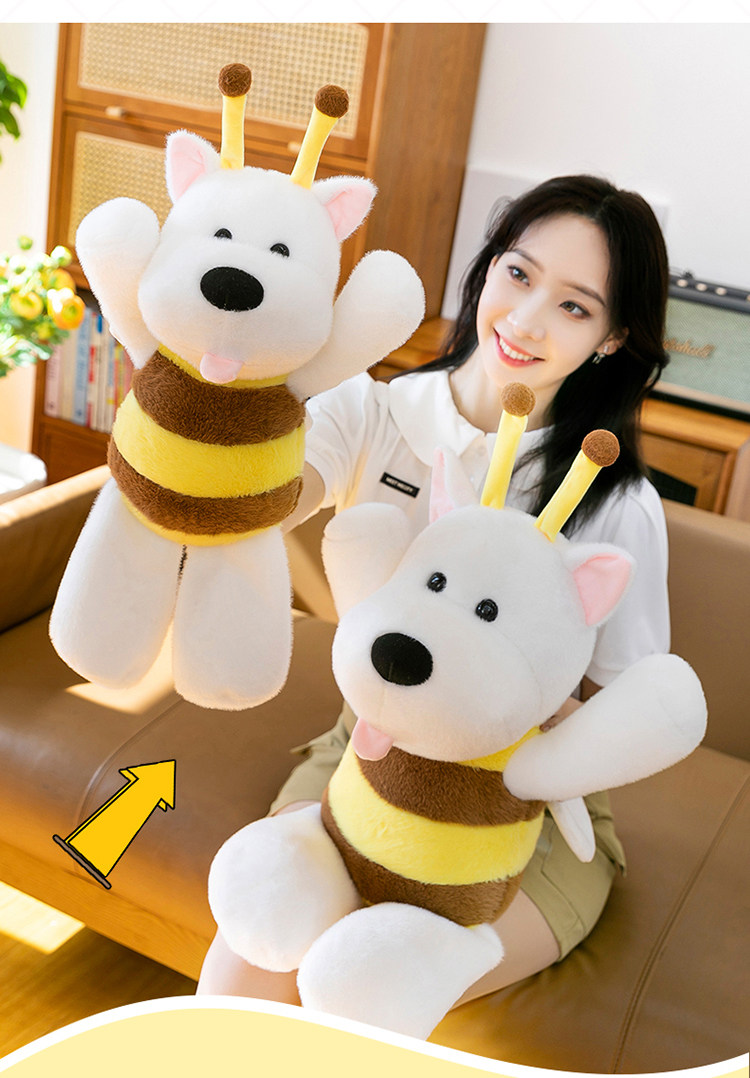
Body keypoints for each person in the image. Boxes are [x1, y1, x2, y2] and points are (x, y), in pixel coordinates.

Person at [197, 173, 671, 1005]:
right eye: (519, 274)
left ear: (610, 338)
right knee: (252, 959)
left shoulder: (615, 503)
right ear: (487, 269)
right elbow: (259, 499)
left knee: (366, 993)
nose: (526, 320)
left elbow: (632, 708)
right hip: (365, 753)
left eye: (574, 306)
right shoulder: (373, 412)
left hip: (526, 804)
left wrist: (510, 702)